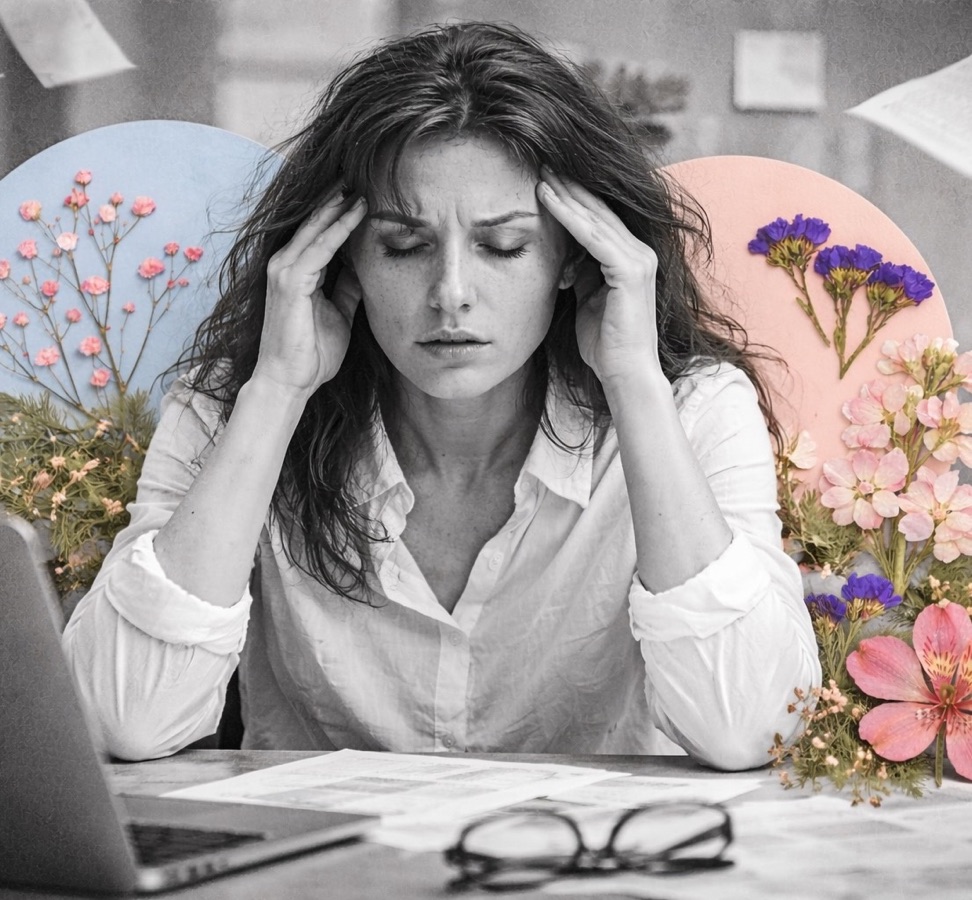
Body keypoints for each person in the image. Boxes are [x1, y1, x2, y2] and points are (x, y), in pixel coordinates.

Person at [63, 21, 820, 768]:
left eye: (504, 246)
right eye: (404, 246)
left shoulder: (693, 411)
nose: (451, 293)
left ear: (575, 256)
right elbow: (127, 720)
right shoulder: (232, 409)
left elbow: (748, 729)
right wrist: (277, 394)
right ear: (342, 258)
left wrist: (633, 380)